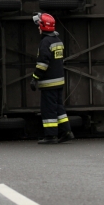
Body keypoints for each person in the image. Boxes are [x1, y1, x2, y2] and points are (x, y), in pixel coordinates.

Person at [29, 13, 75, 145]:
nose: (38, 28)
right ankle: (66, 132)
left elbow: (43, 64)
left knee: (48, 109)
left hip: (49, 83)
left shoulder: (45, 42)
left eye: (38, 25)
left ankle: (51, 136)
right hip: (59, 81)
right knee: (59, 107)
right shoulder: (57, 40)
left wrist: (34, 78)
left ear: (43, 27)